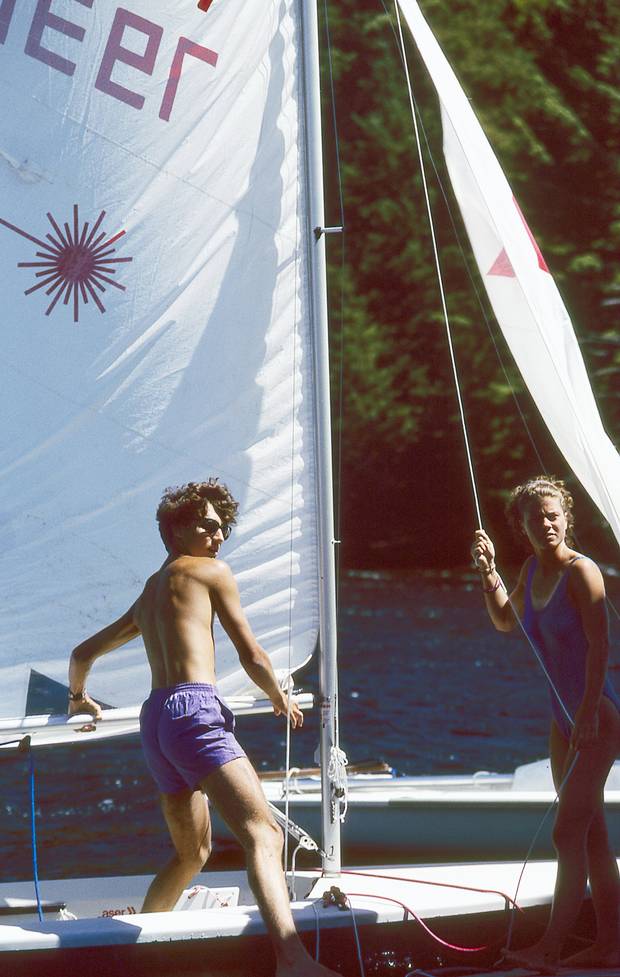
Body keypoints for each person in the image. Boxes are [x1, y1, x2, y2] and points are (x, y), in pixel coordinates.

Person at [68, 479, 340, 977]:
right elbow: (251, 653)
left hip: (156, 723)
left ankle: (140, 959)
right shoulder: (212, 572)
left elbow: (81, 654)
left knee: (192, 852)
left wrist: (77, 697)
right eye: (206, 526)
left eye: (222, 529)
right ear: (176, 530)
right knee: (265, 834)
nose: (218, 537)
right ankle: (293, 961)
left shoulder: (150, 593)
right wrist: (277, 695)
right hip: (194, 713)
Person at [472, 475, 620, 971]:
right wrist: (489, 572)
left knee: (565, 832)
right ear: (523, 527)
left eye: (553, 515)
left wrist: (586, 716)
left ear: (566, 518)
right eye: (536, 518)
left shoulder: (584, 573)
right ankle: (610, 945)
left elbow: (601, 646)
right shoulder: (533, 569)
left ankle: (552, 947)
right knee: (590, 835)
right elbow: (504, 621)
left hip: (596, 717)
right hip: (564, 720)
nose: (547, 523)